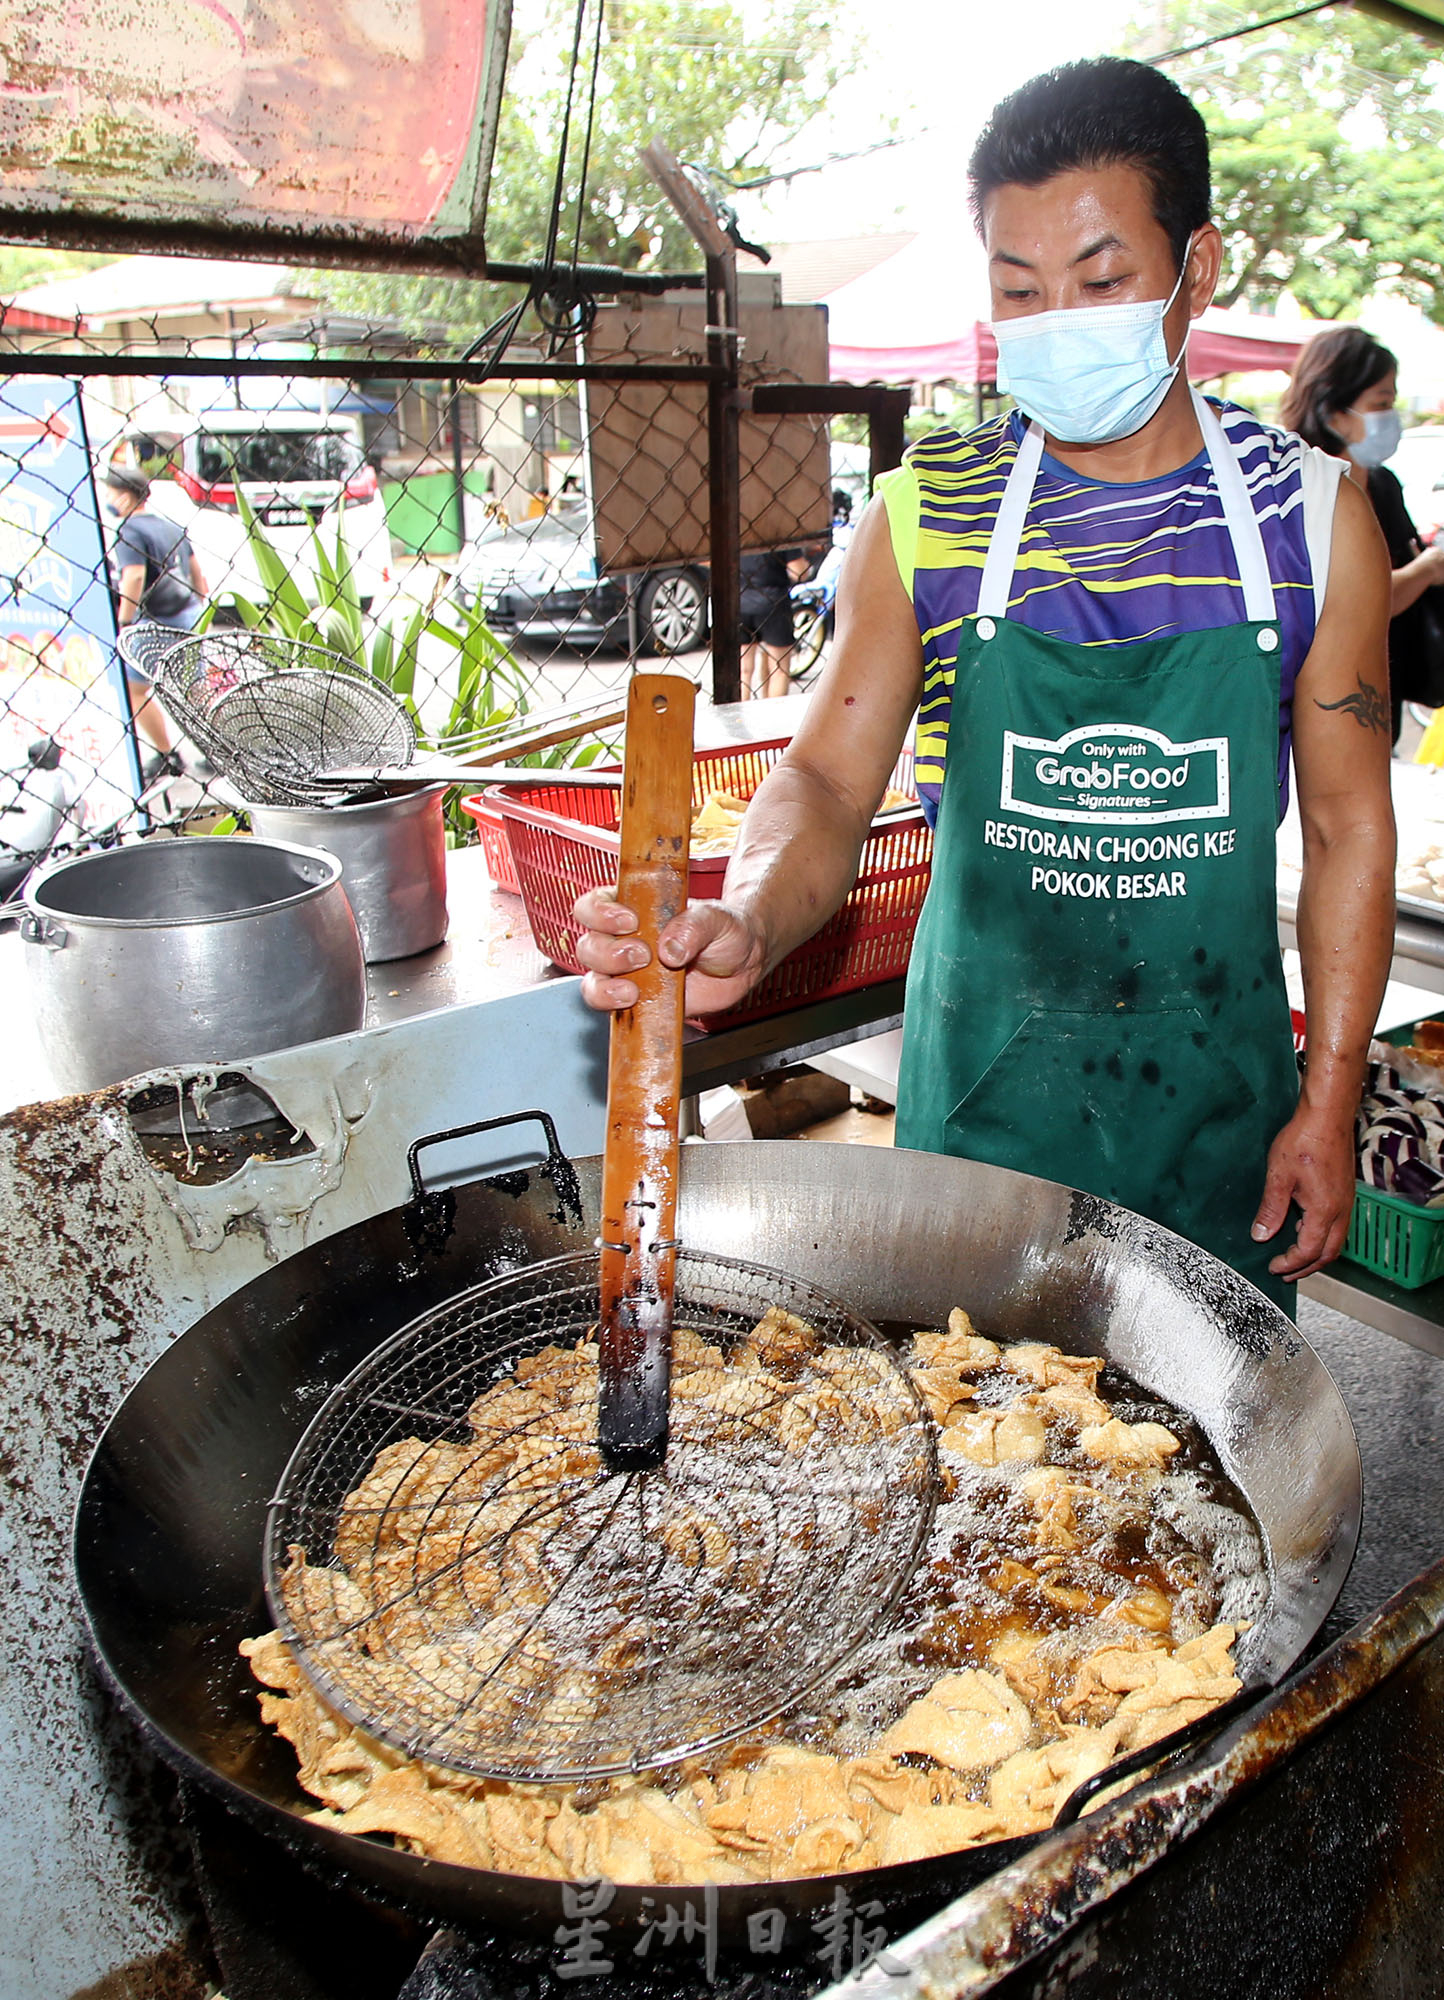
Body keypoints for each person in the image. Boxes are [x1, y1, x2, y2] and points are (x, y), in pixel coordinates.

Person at [574, 56, 1397, 1313]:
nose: (1058, 320)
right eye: (1020, 291)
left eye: (1102, 280)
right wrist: (743, 915)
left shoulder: (1309, 518)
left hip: (1219, 1125)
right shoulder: (927, 518)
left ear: (1198, 269)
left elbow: (1348, 830)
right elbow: (825, 779)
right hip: (984, 1128)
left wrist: (1330, 1099)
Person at [1281, 325, 1444, 740]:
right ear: (1335, 411)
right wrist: (1427, 568)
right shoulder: (1303, 490)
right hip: (1324, 702)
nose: (1392, 417)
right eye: (1381, 403)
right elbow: (1350, 602)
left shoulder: (1384, 485)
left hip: (1385, 690)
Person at [104, 463, 208, 771]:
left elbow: (133, 577)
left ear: (124, 496)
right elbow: (195, 570)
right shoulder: (168, 526)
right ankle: (219, 754)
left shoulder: (130, 531)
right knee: (196, 689)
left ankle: (167, 755)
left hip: (156, 619)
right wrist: (200, 605)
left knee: (135, 689)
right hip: (188, 612)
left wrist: (125, 621)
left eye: (111, 491)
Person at [739, 546, 809, 698]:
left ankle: (738, 718)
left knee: (743, 671)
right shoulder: (780, 530)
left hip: (740, 600)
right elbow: (798, 571)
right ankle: (773, 718)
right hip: (773, 602)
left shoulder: (736, 528)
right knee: (779, 670)